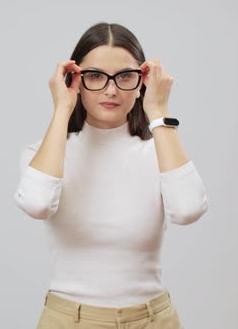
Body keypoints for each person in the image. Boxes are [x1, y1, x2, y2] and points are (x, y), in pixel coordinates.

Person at [12, 22, 209, 329]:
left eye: (125, 76)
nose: (111, 89)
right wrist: (62, 109)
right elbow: (37, 204)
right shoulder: (45, 153)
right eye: (94, 76)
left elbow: (188, 210)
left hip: (154, 319)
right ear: (74, 79)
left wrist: (158, 113)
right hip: (70, 320)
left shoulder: (160, 149)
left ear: (142, 80)